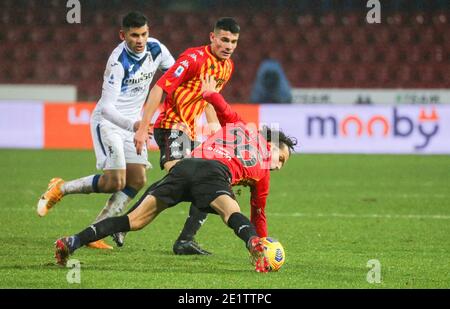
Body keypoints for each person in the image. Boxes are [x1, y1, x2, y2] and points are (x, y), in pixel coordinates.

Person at [54, 75, 297, 273]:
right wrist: (261, 241)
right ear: (272, 145)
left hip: (186, 166)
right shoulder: (263, 172)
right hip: (214, 174)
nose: (278, 165)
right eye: (281, 158)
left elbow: (222, 108)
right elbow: (259, 214)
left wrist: (209, 94)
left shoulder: (241, 126)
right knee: (231, 212)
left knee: (133, 221)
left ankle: (73, 241)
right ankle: (252, 246)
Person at [36, 11, 175, 249]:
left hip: (135, 125)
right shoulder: (117, 62)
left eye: (143, 34)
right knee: (115, 181)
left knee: (138, 179)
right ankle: (60, 188)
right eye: (134, 35)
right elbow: (107, 109)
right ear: (123, 35)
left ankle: (96, 231)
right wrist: (135, 125)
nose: (140, 40)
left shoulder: (157, 50)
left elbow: (175, 75)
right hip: (110, 124)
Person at [127, 17, 240, 255]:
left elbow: (210, 99)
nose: (228, 46)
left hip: (189, 130)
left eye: (233, 41)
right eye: (224, 40)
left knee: (208, 179)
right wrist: (143, 125)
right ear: (213, 37)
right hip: (170, 126)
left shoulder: (227, 67)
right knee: (185, 177)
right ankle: (126, 223)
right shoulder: (193, 58)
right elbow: (160, 87)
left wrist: (214, 130)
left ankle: (186, 240)